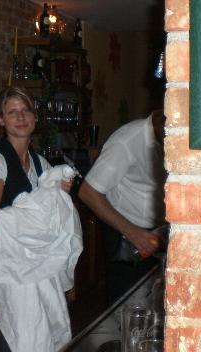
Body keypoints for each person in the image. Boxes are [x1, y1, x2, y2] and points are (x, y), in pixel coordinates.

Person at [0, 86, 74, 352]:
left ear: (35, 117)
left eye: (25, 110)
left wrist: (58, 197)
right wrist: (32, 214)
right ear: (1, 120)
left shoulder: (41, 164)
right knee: (14, 339)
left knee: (43, 337)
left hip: (38, 267)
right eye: (12, 112)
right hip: (7, 269)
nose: (20, 117)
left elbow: (51, 218)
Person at [78, 109, 167, 304]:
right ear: (160, 114)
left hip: (160, 233)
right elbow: (88, 192)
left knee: (157, 303)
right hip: (126, 234)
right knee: (125, 305)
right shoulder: (126, 141)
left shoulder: (173, 137)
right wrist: (132, 232)